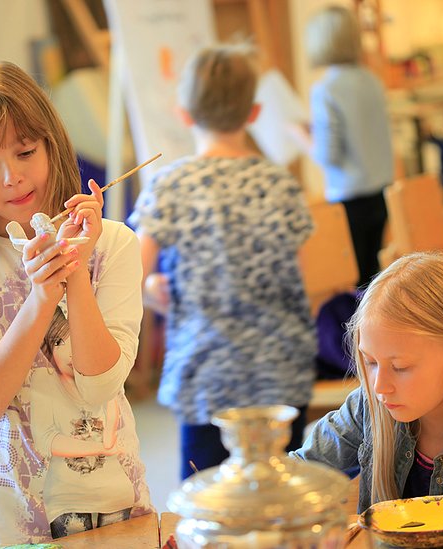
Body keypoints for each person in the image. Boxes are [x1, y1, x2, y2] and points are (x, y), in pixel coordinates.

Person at [0, 60, 151, 547]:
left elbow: (100, 384)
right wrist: (43, 296)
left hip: (114, 500)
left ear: (51, 144)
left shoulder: (114, 243)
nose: (12, 177)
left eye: (25, 152)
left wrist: (75, 272)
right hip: (9, 512)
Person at [129, 44, 317, 480]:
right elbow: (304, 279)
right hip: (280, 372)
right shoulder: (279, 183)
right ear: (254, 113)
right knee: (281, 491)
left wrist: (152, 290)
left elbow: (131, 273)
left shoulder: (170, 185)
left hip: (205, 373)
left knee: (207, 497)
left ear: (183, 114)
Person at [290, 251, 443, 515]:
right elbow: (297, 476)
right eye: (370, 362)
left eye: (400, 367)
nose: (379, 387)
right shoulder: (367, 407)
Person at [290, 5, 393, 288]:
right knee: (371, 274)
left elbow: (328, 155)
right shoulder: (371, 80)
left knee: (354, 278)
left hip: (349, 198)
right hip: (380, 191)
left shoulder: (326, 89)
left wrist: (300, 136)